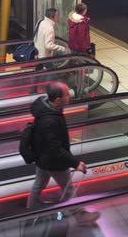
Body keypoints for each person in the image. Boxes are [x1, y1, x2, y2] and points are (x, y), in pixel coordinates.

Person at [26, 82, 100, 226]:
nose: (69, 96)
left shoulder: (46, 108)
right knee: (69, 188)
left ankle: (29, 211)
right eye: (66, 94)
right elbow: (55, 149)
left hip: (42, 157)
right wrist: (75, 163)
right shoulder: (50, 120)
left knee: (39, 183)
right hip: (53, 161)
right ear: (58, 99)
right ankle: (80, 216)